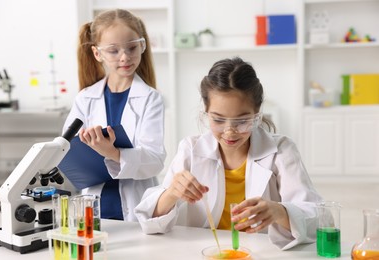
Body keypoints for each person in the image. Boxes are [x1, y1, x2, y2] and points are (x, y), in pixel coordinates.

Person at [135, 57, 322, 249]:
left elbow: (319, 219)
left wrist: (280, 212)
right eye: (218, 120)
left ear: (257, 113)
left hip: (260, 252)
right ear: (206, 112)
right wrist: (171, 193)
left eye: (242, 121)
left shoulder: (281, 150)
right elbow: (148, 221)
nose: (230, 131)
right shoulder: (190, 150)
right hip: (203, 251)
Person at [62, 9, 166, 221]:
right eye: (113, 51)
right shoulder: (85, 99)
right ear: (97, 53)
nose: (125, 57)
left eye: (132, 47)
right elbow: (66, 150)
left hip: (136, 206)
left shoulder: (151, 98)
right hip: (95, 204)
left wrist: (114, 154)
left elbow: (155, 160)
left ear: (142, 46)